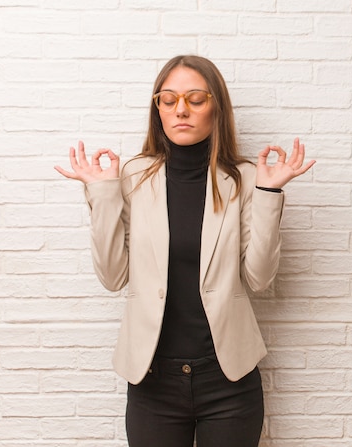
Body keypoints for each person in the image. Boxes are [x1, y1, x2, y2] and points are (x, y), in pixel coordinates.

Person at [54, 55, 315, 447]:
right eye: (168, 98)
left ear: (216, 107)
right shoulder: (130, 176)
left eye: (195, 98)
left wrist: (268, 193)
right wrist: (103, 194)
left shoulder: (245, 178)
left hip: (229, 381)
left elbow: (260, 279)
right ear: (157, 107)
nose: (181, 110)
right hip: (153, 381)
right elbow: (112, 277)